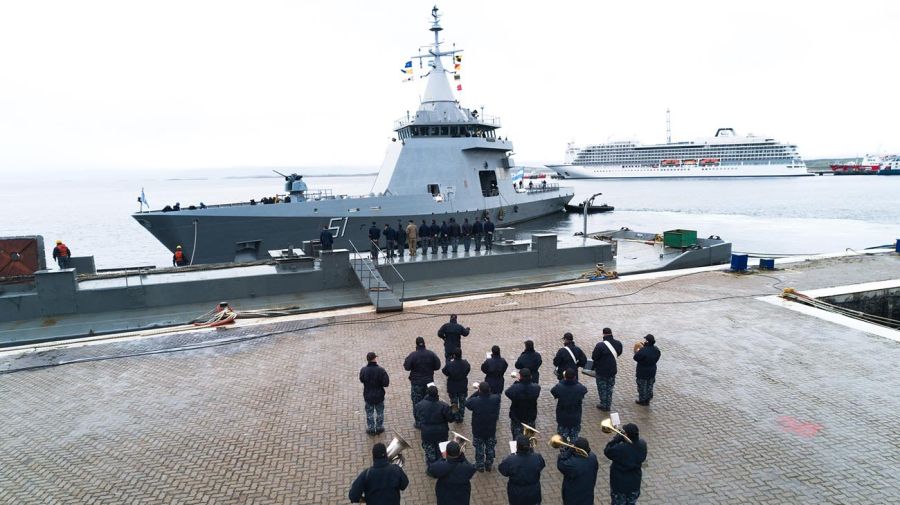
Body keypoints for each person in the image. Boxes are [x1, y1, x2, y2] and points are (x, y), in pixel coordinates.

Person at [604, 424, 647, 505]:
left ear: (626, 435)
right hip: (634, 484)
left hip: (620, 485)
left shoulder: (621, 448)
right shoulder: (642, 444)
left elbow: (607, 451)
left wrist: (616, 439)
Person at [403, 337, 442, 428]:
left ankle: (419, 423)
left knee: (417, 402)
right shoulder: (431, 354)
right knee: (430, 401)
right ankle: (428, 420)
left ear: (416, 344)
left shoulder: (413, 355)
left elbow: (406, 367)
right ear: (424, 343)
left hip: (417, 383)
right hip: (429, 383)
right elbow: (438, 366)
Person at [498, 435, 546, 505]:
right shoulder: (537, 457)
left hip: (516, 493)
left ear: (517, 447)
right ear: (529, 446)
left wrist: (510, 457)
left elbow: (502, 470)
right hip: (533, 492)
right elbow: (542, 465)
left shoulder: (511, 460)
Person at [427, 440, 477, 505]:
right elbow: (472, 468)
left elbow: (431, 469)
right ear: (459, 453)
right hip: (462, 498)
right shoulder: (466, 468)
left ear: (446, 453)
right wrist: (462, 455)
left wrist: (443, 458)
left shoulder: (441, 467)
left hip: (444, 498)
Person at [465, 382, 500, 472]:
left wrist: (477, 392)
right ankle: (489, 464)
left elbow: (467, 402)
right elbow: (493, 396)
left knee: (479, 448)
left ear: (479, 390)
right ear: (489, 390)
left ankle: (480, 465)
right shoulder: (495, 399)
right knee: (490, 447)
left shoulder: (475, 401)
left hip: (478, 429)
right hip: (491, 429)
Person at [415, 385, 453, 466]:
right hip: (441, 433)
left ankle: (432, 470)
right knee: (441, 452)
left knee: (430, 454)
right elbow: (450, 419)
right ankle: (442, 468)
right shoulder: (444, 405)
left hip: (427, 434)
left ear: (427, 393)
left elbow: (417, 417)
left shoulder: (420, 405)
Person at [556, 437, 599, 505]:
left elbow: (560, 463)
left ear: (577, 449)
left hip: (573, 498)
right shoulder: (593, 457)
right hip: (588, 496)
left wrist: (569, 451)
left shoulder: (572, 464)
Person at [551, 368, 588, 442]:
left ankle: (564, 452)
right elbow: (584, 390)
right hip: (575, 418)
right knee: (574, 439)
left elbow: (553, 391)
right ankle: (573, 452)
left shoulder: (559, 387)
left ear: (565, 377)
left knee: (562, 440)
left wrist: (563, 381)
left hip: (562, 418)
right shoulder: (580, 388)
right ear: (574, 377)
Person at [591, 327, 623, 412]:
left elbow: (594, 357)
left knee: (602, 388)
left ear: (603, 334)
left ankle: (603, 404)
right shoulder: (618, 343)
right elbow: (619, 353)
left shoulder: (600, 345)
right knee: (610, 387)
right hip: (612, 369)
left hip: (601, 370)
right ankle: (608, 404)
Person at [504, 367, 540, 441]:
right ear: (531, 376)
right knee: (529, 439)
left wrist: (517, 382)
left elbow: (507, 392)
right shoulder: (536, 388)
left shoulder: (516, 388)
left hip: (517, 419)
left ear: (520, 377)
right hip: (530, 418)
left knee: (517, 440)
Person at [359, 351, 390, 435]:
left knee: (369, 413)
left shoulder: (363, 370)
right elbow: (386, 383)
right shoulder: (381, 370)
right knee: (380, 412)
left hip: (368, 395)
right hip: (379, 395)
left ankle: (371, 429)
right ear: (374, 359)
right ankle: (379, 428)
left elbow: (361, 379)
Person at [442, 348, 470, 423]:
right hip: (462, 386)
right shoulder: (465, 363)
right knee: (462, 401)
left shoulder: (450, 364)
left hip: (452, 386)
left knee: (454, 403)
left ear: (454, 355)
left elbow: (444, 371)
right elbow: (468, 370)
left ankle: (455, 416)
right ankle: (461, 416)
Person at [633, 334, 661, 406]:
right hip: (652, 371)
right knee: (650, 386)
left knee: (642, 386)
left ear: (647, 341)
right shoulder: (656, 349)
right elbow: (657, 357)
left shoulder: (643, 350)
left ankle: (642, 400)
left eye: (645, 340)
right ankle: (648, 399)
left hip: (642, 371)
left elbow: (636, 358)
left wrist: (638, 351)